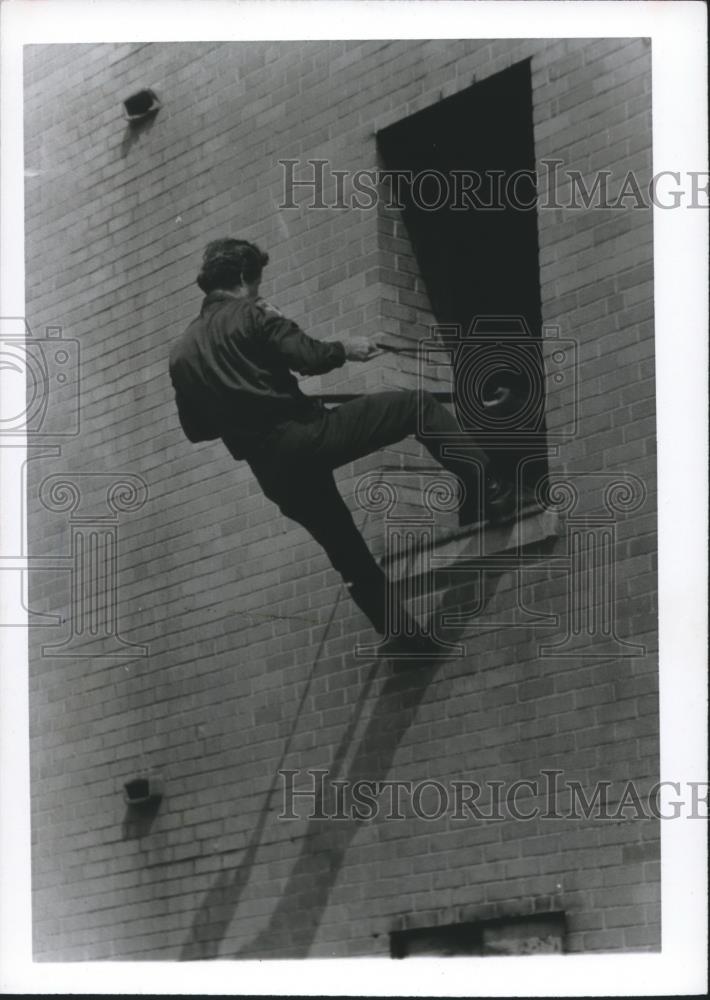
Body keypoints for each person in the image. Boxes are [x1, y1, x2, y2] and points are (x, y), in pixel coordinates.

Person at [169, 237, 512, 640]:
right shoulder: (252, 313)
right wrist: (343, 347)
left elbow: (197, 430)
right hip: (307, 436)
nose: (259, 289)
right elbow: (309, 357)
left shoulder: (181, 353)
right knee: (417, 407)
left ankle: (401, 637)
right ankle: (492, 489)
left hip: (274, 473)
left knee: (345, 549)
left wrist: (243, 405)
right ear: (244, 276)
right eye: (257, 281)